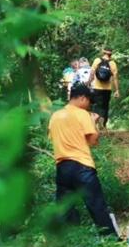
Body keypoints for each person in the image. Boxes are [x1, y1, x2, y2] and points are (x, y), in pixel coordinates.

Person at [49, 82, 117, 236]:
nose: (88, 105)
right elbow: (93, 140)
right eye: (88, 101)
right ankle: (110, 240)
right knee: (96, 204)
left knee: (64, 207)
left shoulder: (56, 115)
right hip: (82, 166)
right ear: (81, 97)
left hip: (62, 166)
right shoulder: (82, 114)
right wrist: (92, 121)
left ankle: (65, 240)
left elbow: (52, 137)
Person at [87, 46, 120, 130]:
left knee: (97, 105)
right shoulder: (112, 63)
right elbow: (115, 78)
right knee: (105, 106)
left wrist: (88, 83)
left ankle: (94, 124)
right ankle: (103, 125)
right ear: (111, 53)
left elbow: (92, 73)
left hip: (97, 88)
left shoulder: (97, 60)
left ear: (103, 52)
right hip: (107, 89)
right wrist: (117, 90)